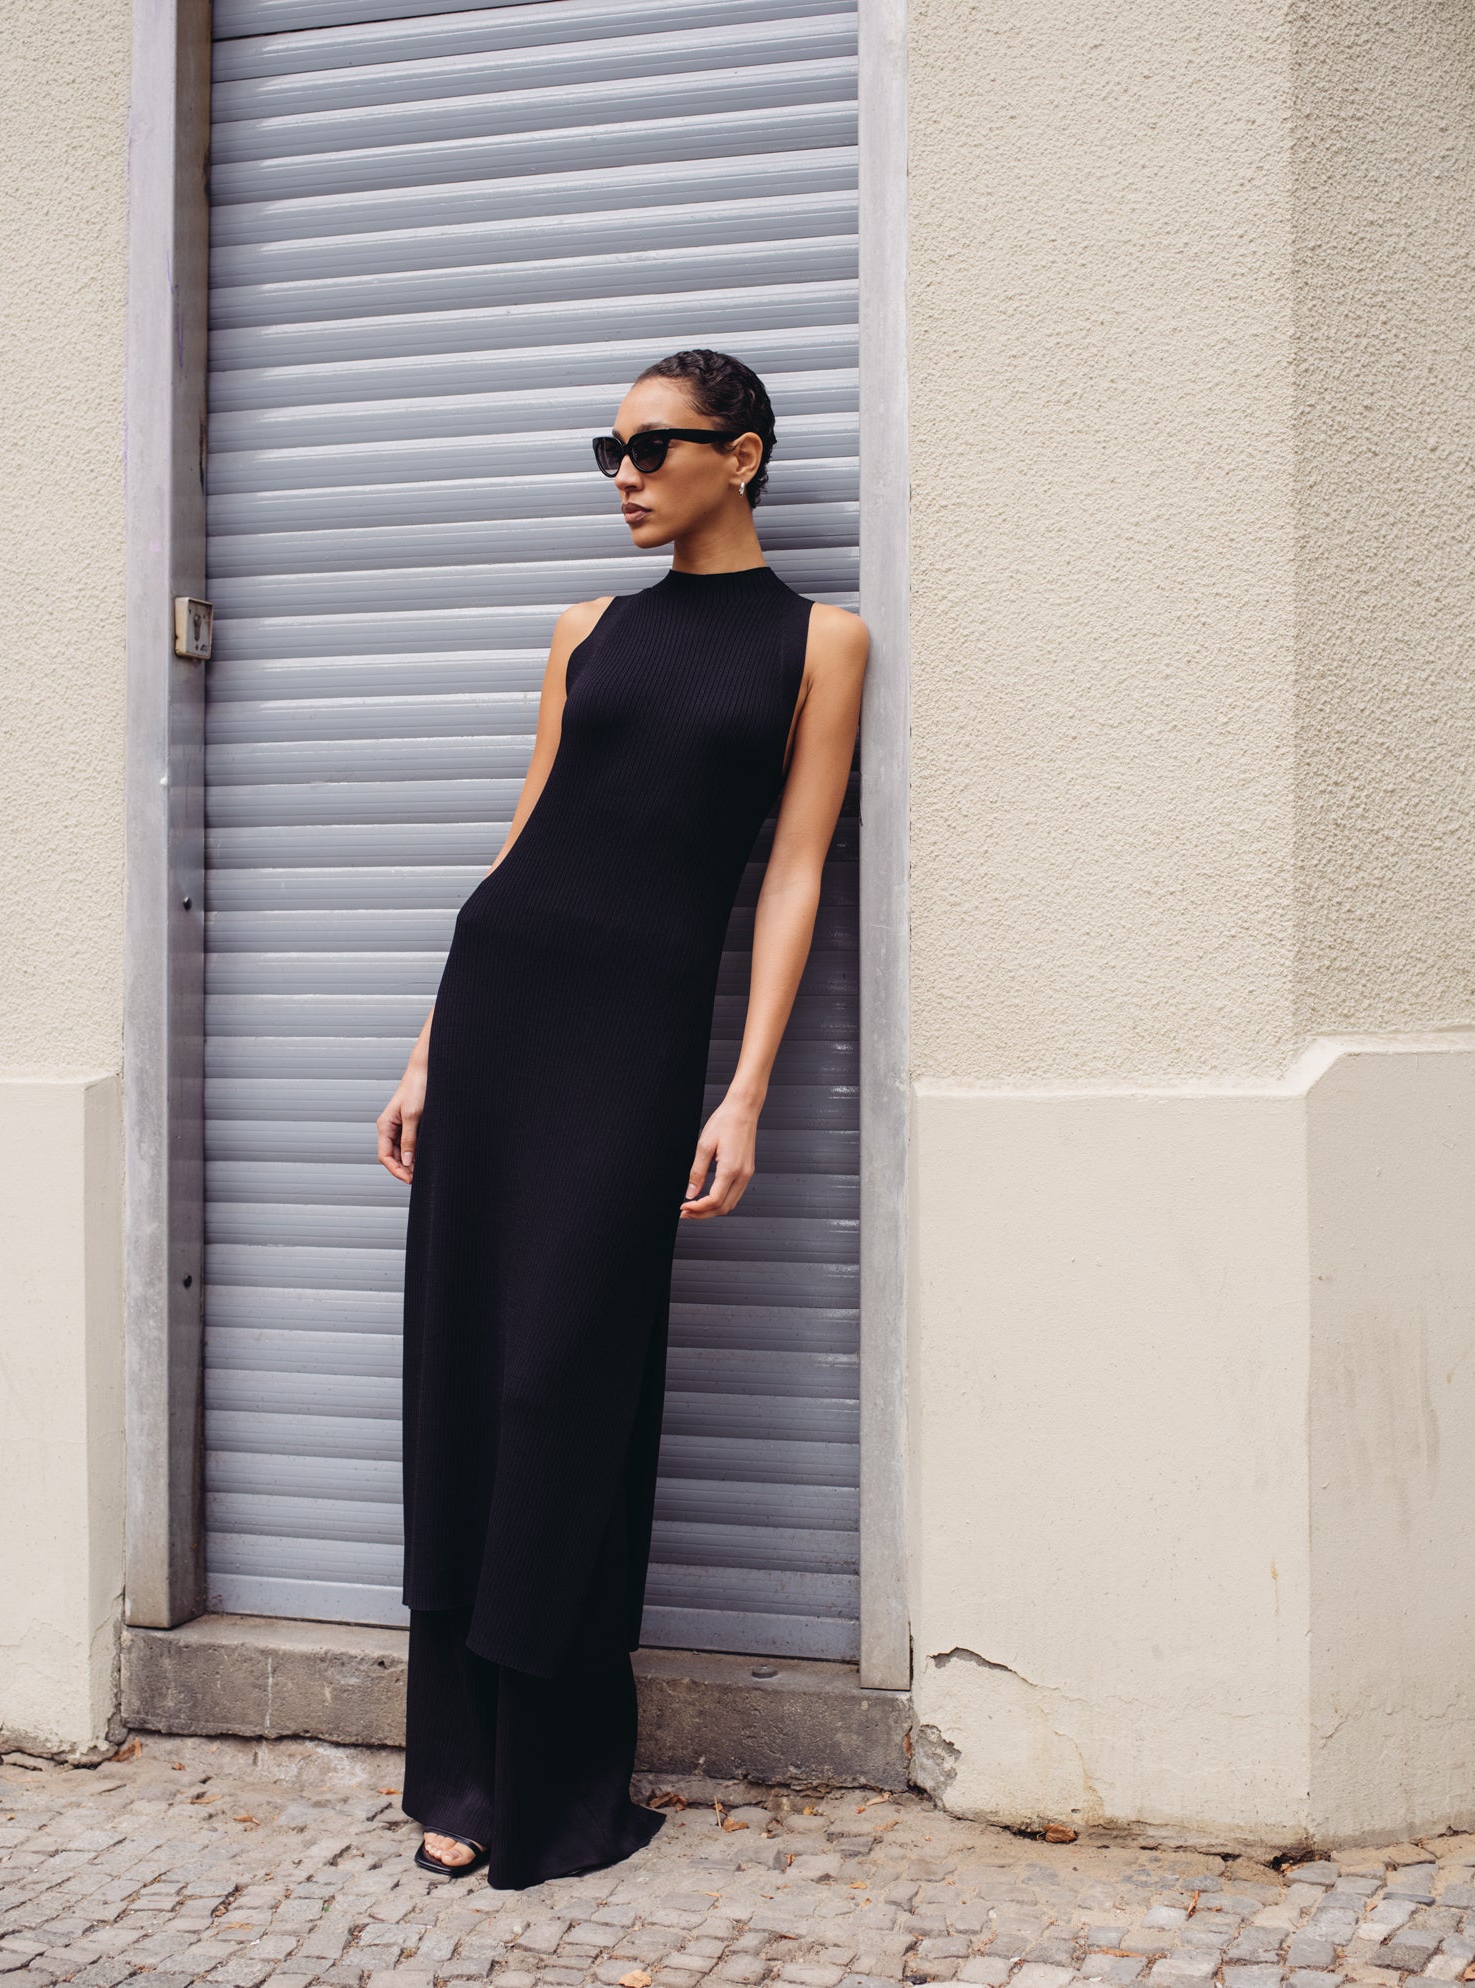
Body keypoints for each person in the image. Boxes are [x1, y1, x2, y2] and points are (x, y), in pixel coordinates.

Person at [374, 347, 868, 1889]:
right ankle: (456, 1766)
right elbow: (522, 839)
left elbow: (793, 870)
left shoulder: (822, 643)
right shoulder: (586, 629)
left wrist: (746, 1084)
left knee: (564, 1389)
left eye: (655, 446)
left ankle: (562, 1773)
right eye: (611, 448)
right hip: (503, 1013)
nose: (625, 474)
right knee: (464, 1383)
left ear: (748, 456)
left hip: (636, 1045)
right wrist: (423, 1053)